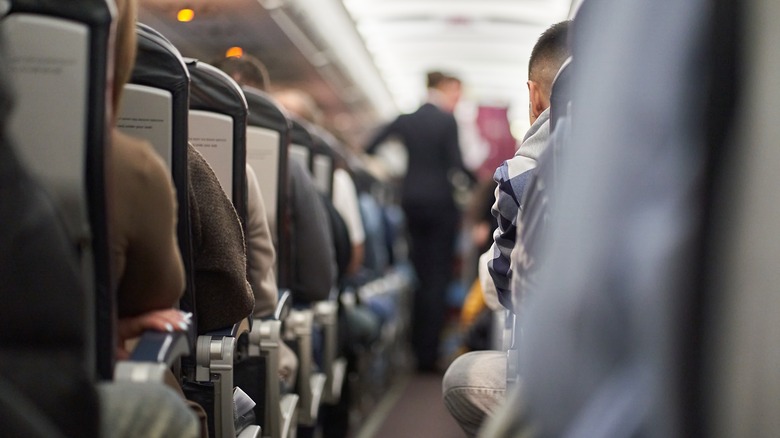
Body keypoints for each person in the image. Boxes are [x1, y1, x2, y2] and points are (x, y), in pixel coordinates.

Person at [441, 21, 571, 437]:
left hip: (567, 376)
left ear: (534, 96)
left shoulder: (522, 174)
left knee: (461, 378)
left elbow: (505, 290)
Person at [365, 71, 471, 372]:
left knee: (419, 275)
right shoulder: (447, 120)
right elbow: (457, 166)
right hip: (441, 205)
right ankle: (429, 354)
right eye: (456, 91)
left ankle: (413, 348)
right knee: (437, 279)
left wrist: (397, 173)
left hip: (411, 202)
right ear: (444, 87)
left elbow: (370, 146)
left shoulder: (406, 118)